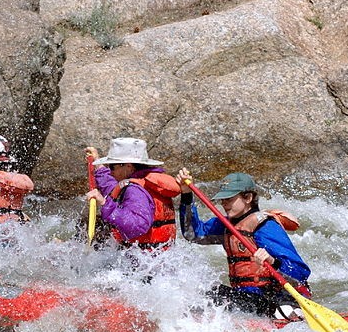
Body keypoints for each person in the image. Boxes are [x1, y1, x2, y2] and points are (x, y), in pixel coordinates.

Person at [175, 169, 311, 319]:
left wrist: (273, 261)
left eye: (229, 199)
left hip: (274, 299)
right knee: (202, 294)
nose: (224, 204)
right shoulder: (225, 225)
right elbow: (193, 234)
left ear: (248, 198)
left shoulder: (265, 227)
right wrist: (186, 194)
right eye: (222, 200)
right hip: (246, 298)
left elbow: (301, 273)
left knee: (214, 300)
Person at [85, 137, 180, 251]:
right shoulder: (142, 181)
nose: (110, 171)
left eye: (112, 166)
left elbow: (137, 226)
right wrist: (98, 165)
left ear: (128, 166)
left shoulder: (135, 190)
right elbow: (113, 189)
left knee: (89, 225)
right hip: (158, 255)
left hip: (142, 259)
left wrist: (105, 203)